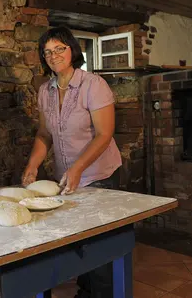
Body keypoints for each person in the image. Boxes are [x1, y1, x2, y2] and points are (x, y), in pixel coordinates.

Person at [22, 26, 122, 298]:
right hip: (68, 180)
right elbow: (45, 134)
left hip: (99, 176)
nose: (53, 56)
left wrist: (77, 168)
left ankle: (102, 295)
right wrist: (33, 165)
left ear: (72, 50)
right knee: (81, 242)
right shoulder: (46, 91)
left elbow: (104, 134)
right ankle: (84, 293)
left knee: (100, 249)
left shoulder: (93, 85)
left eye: (59, 49)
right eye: (47, 52)